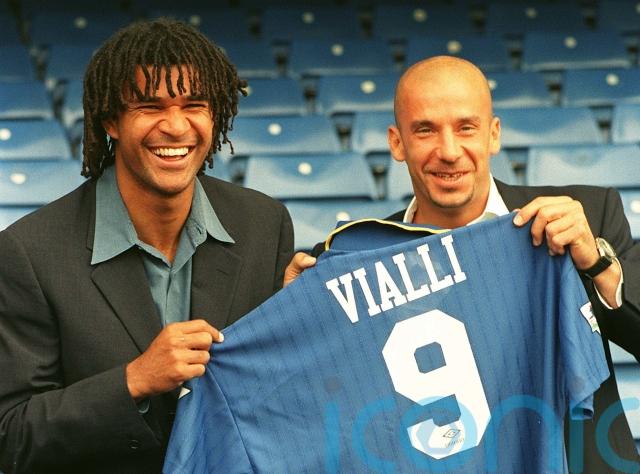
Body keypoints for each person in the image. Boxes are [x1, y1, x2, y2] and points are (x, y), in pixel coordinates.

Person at [287, 56, 640, 472]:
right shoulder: (349, 262)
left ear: (494, 134)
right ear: (397, 143)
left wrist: (598, 265)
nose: (449, 152)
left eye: (466, 128)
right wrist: (295, 325)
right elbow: (321, 410)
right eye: (425, 130)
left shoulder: (584, 216)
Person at [0, 19, 293, 473]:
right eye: (150, 106)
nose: (175, 126)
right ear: (110, 121)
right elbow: (11, 435)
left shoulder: (264, 225)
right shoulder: (29, 253)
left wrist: (300, 309)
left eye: (194, 105)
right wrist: (133, 381)